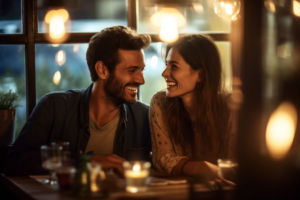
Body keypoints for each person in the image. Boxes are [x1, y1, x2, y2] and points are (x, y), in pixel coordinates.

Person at [3, 26, 152, 176]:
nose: (141, 80)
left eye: (142, 70)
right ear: (102, 70)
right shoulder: (54, 107)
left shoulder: (146, 117)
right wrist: (87, 162)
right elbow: (15, 161)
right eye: (132, 71)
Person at [149, 34, 235, 179]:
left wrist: (184, 167)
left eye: (174, 67)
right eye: (166, 65)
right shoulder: (160, 102)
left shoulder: (230, 106)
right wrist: (201, 167)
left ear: (200, 74)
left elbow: (235, 167)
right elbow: (163, 159)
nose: (165, 73)